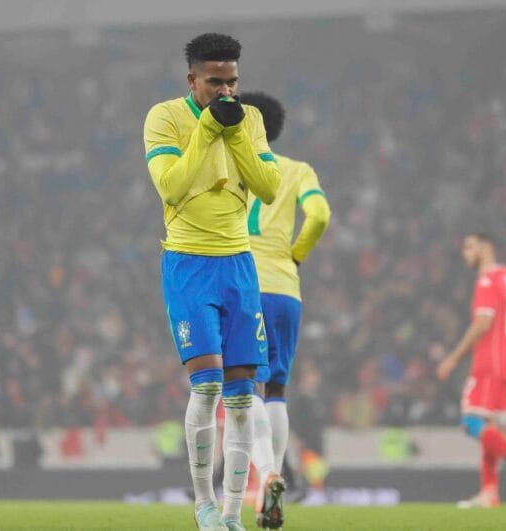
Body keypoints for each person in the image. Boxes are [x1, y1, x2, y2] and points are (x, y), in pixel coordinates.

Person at [142, 33, 281, 531]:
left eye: (233, 83)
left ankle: (231, 513)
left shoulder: (251, 120)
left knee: (243, 398)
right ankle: (202, 504)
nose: (226, 93)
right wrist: (207, 128)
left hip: (239, 266)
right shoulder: (165, 118)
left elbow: (267, 187)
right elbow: (170, 186)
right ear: (192, 80)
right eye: (215, 83)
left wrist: (237, 131)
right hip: (189, 264)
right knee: (207, 390)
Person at [239, 92, 331, 529]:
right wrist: (295, 255)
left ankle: (265, 478)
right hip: (286, 291)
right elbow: (319, 215)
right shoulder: (298, 170)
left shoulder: (231, 165)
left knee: (244, 388)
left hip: (243, 284)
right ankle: (271, 491)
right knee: (276, 389)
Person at [436, 232, 506, 508]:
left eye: (470, 247)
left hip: (489, 362)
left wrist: (453, 358)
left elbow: (483, 323)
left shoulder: (487, 280)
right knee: (488, 426)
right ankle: (489, 492)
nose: (466, 254)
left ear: (486, 248)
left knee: (471, 422)